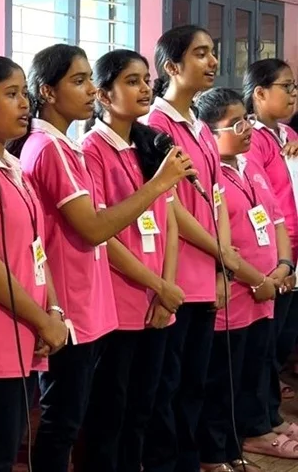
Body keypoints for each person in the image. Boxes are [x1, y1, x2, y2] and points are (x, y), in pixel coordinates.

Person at [8, 43, 193, 472]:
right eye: (79, 81)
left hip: (89, 300)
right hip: (71, 300)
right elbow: (94, 229)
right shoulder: (51, 147)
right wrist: (159, 183)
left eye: (89, 79)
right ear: (47, 92)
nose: (90, 89)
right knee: (70, 421)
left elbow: (157, 222)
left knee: (110, 411)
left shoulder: (66, 147)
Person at [0, 55, 68, 472]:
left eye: (24, 93)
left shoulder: (12, 165)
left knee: (9, 444)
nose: (24, 103)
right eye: (11, 94)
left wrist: (53, 311)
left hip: (27, 327)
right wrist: (42, 320)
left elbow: (37, 248)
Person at [78, 49, 184, 472]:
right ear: (104, 95)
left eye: (145, 80)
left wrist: (166, 289)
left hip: (159, 301)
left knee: (145, 405)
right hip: (119, 304)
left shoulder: (149, 144)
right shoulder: (91, 150)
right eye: (131, 81)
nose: (145, 88)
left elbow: (169, 221)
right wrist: (158, 286)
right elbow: (103, 236)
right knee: (110, 411)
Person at [141, 25, 240, 472]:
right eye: (201, 53)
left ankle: (190, 459)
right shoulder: (155, 125)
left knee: (194, 381)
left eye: (213, 52)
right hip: (174, 274)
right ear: (172, 66)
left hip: (206, 272)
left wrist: (222, 264)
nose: (213, 62)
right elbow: (169, 206)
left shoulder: (199, 126)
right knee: (166, 384)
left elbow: (215, 195)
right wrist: (220, 250)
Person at [194, 88, 295, 470]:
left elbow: (277, 218)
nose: (248, 129)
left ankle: (235, 447)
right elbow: (220, 243)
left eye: (247, 120)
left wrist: (283, 265)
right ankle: (213, 453)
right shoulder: (210, 175)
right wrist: (257, 280)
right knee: (222, 380)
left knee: (250, 375)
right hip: (235, 297)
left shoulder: (250, 165)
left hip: (265, 294)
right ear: (209, 134)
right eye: (236, 124)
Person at [243, 58, 298, 444]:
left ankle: (271, 414)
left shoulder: (288, 134)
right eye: (286, 87)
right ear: (260, 93)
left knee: (282, 339)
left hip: (293, 251)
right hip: (274, 254)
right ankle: (259, 422)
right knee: (265, 343)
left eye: (295, 88)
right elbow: (261, 200)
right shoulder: (252, 138)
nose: (293, 95)